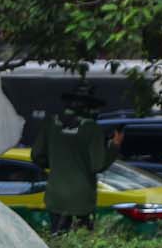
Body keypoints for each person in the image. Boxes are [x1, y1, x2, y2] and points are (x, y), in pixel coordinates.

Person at [30, 89, 113, 232]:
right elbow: (97, 165)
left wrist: (56, 165)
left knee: (57, 235)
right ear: (89, 107)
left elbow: (37, 155)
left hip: (55, 196)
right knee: (79, 243)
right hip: (80, 200)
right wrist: (115, 147)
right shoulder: (92, 129)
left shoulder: (51, 123)